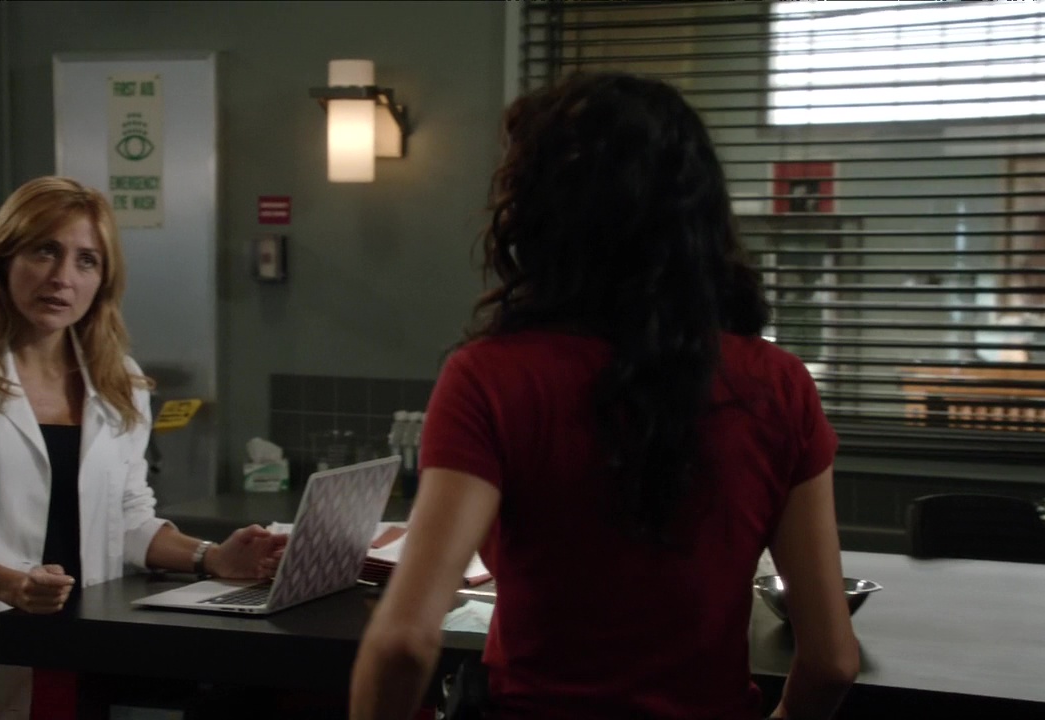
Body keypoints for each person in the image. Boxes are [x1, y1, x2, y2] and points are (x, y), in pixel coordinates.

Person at [350, 73, 859, 720]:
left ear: (537, 212)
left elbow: (402, 643)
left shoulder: (491, 378)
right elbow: (832, 661)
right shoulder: (779, 385)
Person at [0, 176, 287, 719]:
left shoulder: (118, 378)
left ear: (103, 280)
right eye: (44, 251)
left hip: (88, 644)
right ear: (4, 259)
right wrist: (13, 587)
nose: (62, 277)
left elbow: (128, 517)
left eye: (86, 261)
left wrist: (212, 557)